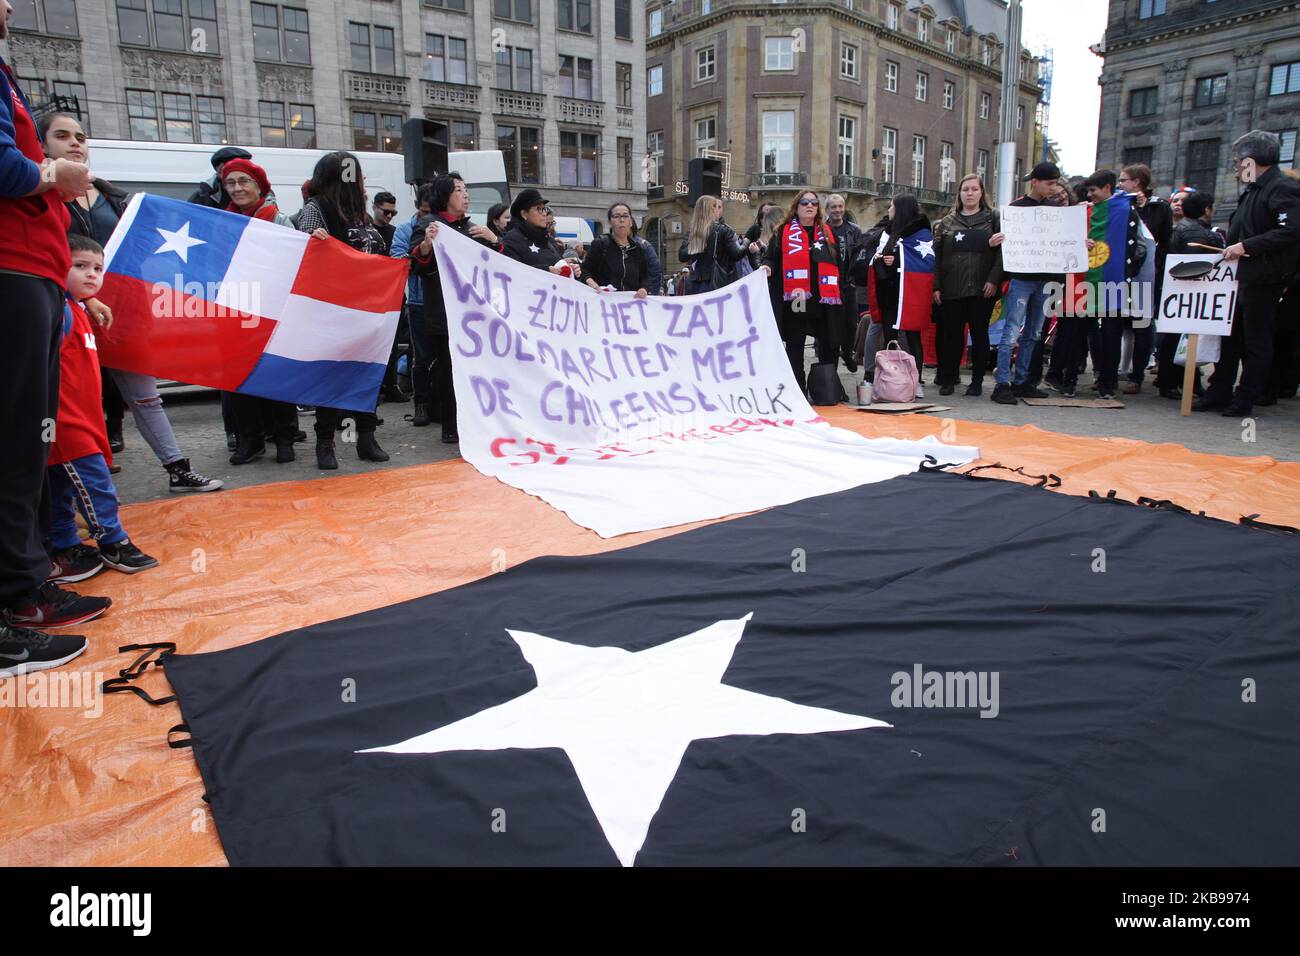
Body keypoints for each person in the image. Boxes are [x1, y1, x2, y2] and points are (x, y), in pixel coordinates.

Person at [1, 5, 112, 672]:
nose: (10, 7)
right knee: (16, 447)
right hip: (14, 275)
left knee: (25, 449)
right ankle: (18, 603)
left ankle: (25, 589)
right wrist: (47, 176)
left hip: (29, 277)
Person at [40, 112, 223, 491]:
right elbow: (42, 257)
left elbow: (136, 253)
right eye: (62, 135)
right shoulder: (41, 195)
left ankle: (177, 467)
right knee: (71, 399)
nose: (76, 143)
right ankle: (69, 486)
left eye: (81, 136)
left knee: (145, 397)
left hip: (123, 311)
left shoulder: (111, 195)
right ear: (42, 144)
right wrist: (85, 298)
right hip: (65, 311)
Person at [47, 234, 159, 581]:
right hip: (64, 423)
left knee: (62, 488)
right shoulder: (60, 312)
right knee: (94, 484)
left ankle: (64, 544)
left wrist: (86, 299)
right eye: (80, 266)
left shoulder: (77, 308)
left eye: (97, 268)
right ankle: (113, 541)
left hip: (81, 420)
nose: (92, 274)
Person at [296, 151, 393, 468]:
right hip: (333, 310)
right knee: (332, 376)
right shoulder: (316, 209)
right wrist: (312, 239)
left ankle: (365, 438)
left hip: (367, 311)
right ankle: (325, 443)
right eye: (356, 175)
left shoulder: (361, 215)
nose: (362, 181)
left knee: (366, 375)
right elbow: (300, 251)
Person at [1194, 130, 1300, 416]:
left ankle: (1245, 397)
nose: (1236, 165)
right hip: (1240, 276)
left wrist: (1245, 246)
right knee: (1229, 337)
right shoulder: (1254, 190)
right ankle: (1220, 390)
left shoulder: (1281, 188)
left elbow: (1290, 230)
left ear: (1252, 160)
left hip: (1264, 277)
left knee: (1256, 341)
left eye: (1239, 160)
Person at [215, 157, 303, 465]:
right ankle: (250, 439)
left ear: (259, 186)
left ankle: (284, 437)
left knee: (275, 375)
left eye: (244, 182)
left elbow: (295, 263)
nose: (237, 188)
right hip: (235, 309)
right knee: (239, 378)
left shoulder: (279, 221)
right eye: (231, 183)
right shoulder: (221, 222)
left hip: (271, 311)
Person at [409, 172, 502, 445]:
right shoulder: (429, 225)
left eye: (465, 190)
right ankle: (450, 425)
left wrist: (494, 240)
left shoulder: (474, 229)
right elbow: (417, 266)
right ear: (444, 195)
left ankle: (477, 422)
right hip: (444, 313)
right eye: (459, 190)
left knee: (476, 370)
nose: (465, 195)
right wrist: (426, 245)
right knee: (448, 370)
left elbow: (501, 268)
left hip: (476, 315)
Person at [990, 161, 1065, 405]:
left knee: (1033, 333)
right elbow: (1006, 244)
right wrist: (999, 241)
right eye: (1050, 183)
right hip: (1022, 278)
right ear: (1036, 182)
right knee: (1011, 332)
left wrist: (1077, 244)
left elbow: (1062, 241)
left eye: (1055, 183)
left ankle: (1022, 381)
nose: (1054, 188)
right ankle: (1003, 383)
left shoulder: (1055, 209)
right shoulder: (1016, 208)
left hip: (1044, 278)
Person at [763, 189, 842, 395]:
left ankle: (828, 387)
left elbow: (840, 262)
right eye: (805, 202)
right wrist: (768, 266)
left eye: (814, 203)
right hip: (797, 297)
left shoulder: (827, 233)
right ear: (796, 208)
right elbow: (771, 257)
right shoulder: (784, 231)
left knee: (829, 342)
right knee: (795, 341)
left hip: (823, 297)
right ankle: (798, 389)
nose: (810, 206)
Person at [1077, 169, 1147, 401]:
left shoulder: (1130, 208)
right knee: (1088, 333)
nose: (1090, 195)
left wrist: (1128, 271)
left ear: (1108, 188)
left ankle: (1109, 382)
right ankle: (1099, 377)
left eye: (1093, 191)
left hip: (1115, 281)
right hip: (1088, 281)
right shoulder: (1088, 211)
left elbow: (1141, 246)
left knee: (1111, 334)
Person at [932, 174, 1004, 396]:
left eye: (974, 189)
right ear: (959, 194)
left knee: (979, 335)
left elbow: (1003, 254)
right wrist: (936, 286)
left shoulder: (993, 218)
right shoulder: (946, 222)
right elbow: (937, 257)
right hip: (952, 288)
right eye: (966, 189)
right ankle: (948, 379)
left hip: (983, 289)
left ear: (982, 193)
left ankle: (977, 382)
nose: (970, 193)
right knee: (951, 337)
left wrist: (993, 279)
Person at [1155, 191, 1221, 399]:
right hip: (1188, 294)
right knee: (1182, 340)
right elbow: (1198, 267)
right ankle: (1174, 383)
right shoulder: (1196, 233)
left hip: (1178, 293)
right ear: (1206, 209)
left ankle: (1181, 382)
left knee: (1178, 339)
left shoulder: (1185, 228)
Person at [1118, 164, 1172, 395]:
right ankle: (1109, 373)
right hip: (1119, 275)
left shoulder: (1158, 207)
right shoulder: (1118, 203)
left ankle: (1136, 375)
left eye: (1124, 180)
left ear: (1137, 181)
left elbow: (1163, 242)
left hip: (1144, 276)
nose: (1120, 184)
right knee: (1115, 324)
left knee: (1141, 328)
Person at [869, 195, 930, 395]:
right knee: (890, 338)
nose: (888, 210)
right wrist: (882, 260)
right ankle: (892, 381)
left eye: (891, 207)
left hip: (910, 293)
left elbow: (923, 261)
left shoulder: (921, 231)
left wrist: (894, 262)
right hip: (889, 294)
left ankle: (916, 381)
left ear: (900, 208)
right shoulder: (888, 230)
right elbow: (879, 255)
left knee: (913, 338)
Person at [391, 190, 434, 426]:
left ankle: (438, 404)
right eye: (425, 212)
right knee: (420, 357)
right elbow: (397, 260)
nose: (428, 217)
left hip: (442, 301)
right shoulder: (405, 230)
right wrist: (420, 256)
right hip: (418, 300)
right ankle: (421, 405)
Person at [582, 202, 663, 296]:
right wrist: (592, 283)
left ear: (631, 221)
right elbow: (584, 271)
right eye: (616, 216)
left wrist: (644, 288)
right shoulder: (600, 244)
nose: (621, 220)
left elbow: (645, 277)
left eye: (625, 216)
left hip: (630, 305)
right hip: (604, 304)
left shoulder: (638, 248)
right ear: (610, 222)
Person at [824, 194, 863, 373]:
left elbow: (859, 256)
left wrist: (855, 278)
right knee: (830, 326)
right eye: (834, 207)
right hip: (827, 285)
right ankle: (828, 364)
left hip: (848, 284)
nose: (838, 210)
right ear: (827, 210)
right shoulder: (821, 229)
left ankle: (847, 352)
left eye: (840, 206)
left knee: (851, 323)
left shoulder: (853, 230)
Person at [500, 188, 576, 276]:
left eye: (544, 209)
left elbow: (558, 264)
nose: (544, 214)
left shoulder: (550, 240)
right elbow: (513, 273)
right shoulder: (512, 240)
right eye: (538, 209)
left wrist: (569, 268)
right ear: (524, 214)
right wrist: (546, 270)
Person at [679, 195, 744, 294]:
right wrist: (748, 241)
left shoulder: (692, 232)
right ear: (710, 209)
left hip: (695, 283)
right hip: (715, 282)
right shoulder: (723, 230)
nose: (718, 210)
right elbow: (737, 254)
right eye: (715, 206)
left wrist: (695, 246)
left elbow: (682, 256)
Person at [187, 144, 253, 209]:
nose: (237, 188)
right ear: (219, 172)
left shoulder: (259, 193)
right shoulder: (202, 197)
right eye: (227, 170)